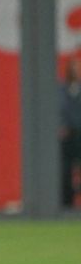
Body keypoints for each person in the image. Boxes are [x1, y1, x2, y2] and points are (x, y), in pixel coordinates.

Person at [60, 57, 81, 208]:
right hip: (68, 137)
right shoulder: (60, 89)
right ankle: (67, 204)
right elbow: (57, 110)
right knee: (65, 171)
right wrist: (61, 126)